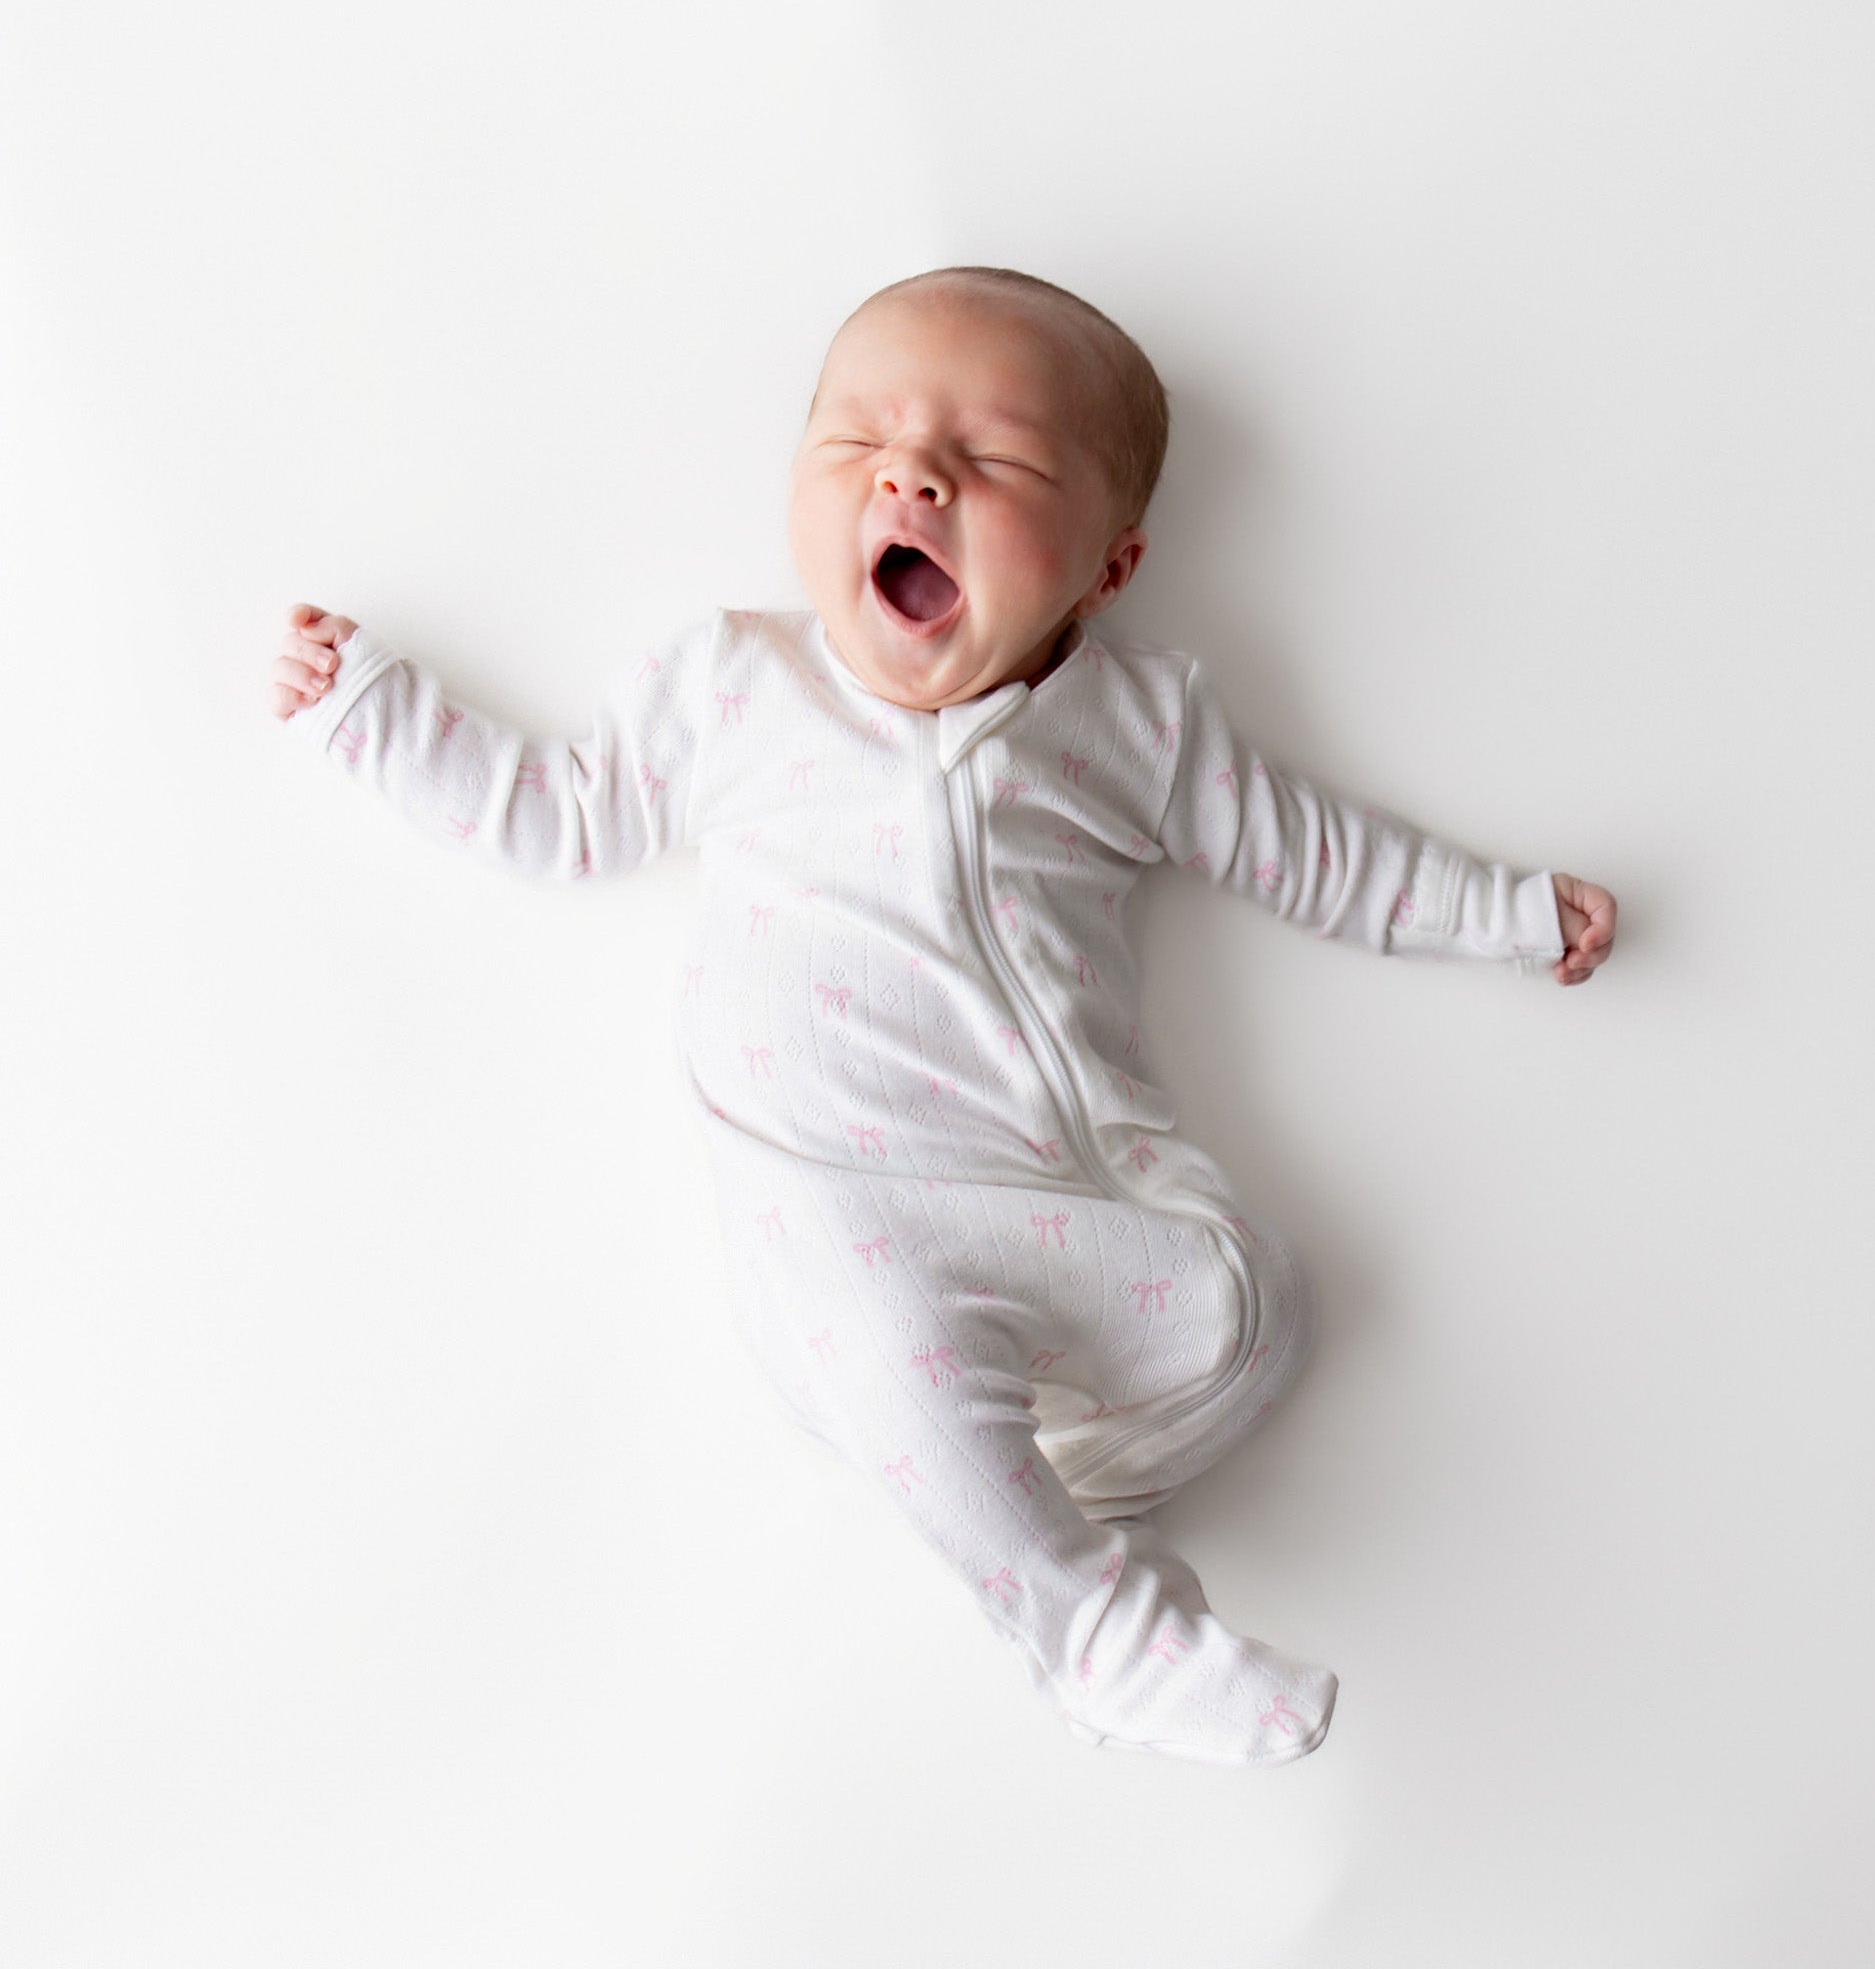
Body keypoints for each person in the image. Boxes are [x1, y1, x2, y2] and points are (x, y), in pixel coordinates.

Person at [269, 265, 1618, 1766]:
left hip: (1073, 1191)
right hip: (833, 1202)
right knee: (890, 1333)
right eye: (861, 441)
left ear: (1111, 567)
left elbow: (1314, 852)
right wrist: (374, 716)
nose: (913, 473)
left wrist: (1500, 912)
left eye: (998, 462)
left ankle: (1016, 1493)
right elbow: (559, 813)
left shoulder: (1137, 727)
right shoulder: (736, 688)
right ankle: (1097, 1631)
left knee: (1258, 1307)